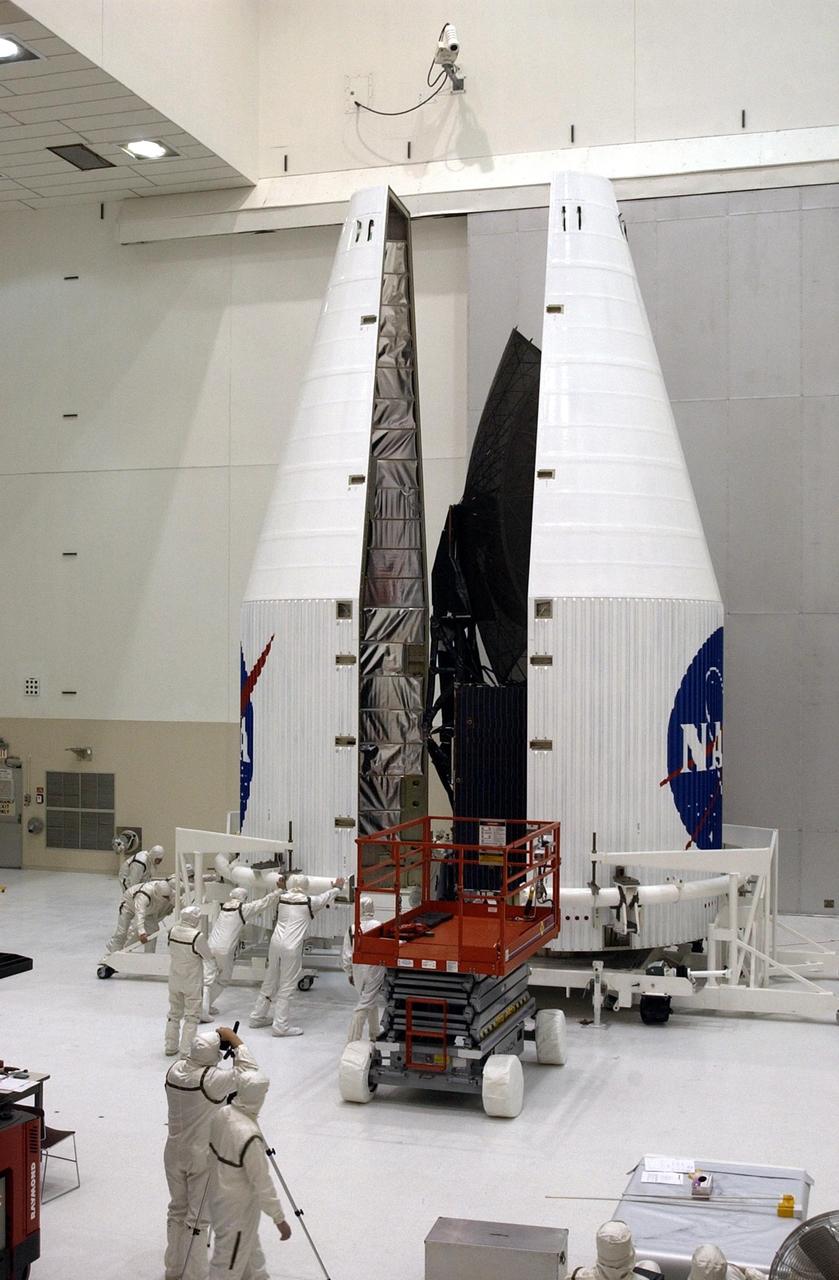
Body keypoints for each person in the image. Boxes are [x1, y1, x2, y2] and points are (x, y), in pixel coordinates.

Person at [164, 1026, 258, 1280]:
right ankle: (194, 1274)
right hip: (201, 1157)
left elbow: (196, 1058)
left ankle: (173, 1268)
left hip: (173, 1151)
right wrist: (235, 1041)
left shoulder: (174, 1071)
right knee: (197, 1219)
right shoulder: (212, 1081)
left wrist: (211, 1044)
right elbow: (249, 1073)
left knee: (176, 1209)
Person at [208, 1068, 290, 1279]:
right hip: (238, 1210)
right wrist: (279, 1218)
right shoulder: (249, 1136)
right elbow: (262, 1183)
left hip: (219, 1199)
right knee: (227, 1264)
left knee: (251, 1254)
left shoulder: (222, 1114)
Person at [249, 874, 345, 1037]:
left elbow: (281, 892)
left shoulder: (282, 898)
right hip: (291, 947)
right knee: (286, 986)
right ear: (306, 887)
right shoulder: (310, 902)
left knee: (270, 980)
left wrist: (281, 887)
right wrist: (337, 887)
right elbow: (326, 896)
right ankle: (280, 1026)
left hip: (275, 944)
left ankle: (257, 1017)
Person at [205, 884, 284, 1015]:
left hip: (210, 945)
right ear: (244, 898)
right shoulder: (243, 909)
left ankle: (201, 1007)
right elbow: (264, 902)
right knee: (222, 980)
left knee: (207, 980)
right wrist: (279, 890)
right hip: (225, 949)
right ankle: (204, 1008)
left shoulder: (224, 907)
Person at [167, 904, 218, 1057]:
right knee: (191, 1017)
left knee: (173, 1014)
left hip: (174, 978)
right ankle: (185, 1051)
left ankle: (170, 1046)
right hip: (192, 982)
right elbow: (207, 956)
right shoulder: (197, 936)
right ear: (195, 919)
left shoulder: (172, 931)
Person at [100, 875, 175, 974]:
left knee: (153, 931)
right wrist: (141, 932)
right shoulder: (143, 896)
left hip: (148, 911)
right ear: (157, 894)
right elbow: (140, 914)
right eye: (165, 897)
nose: (167, 899)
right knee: (122, 932)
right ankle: (112, 957)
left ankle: (149, 958)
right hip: (128, 905)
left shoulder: (166, 891)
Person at [340, 894, 385, 1043]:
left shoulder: (352, 928)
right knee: (365, 1004)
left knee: (368, 1000)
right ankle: (353, 1040)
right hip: (375, 969)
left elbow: (347, 954)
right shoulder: (379, 926)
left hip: (358, 970)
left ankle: (374, 1034)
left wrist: (350, 972)